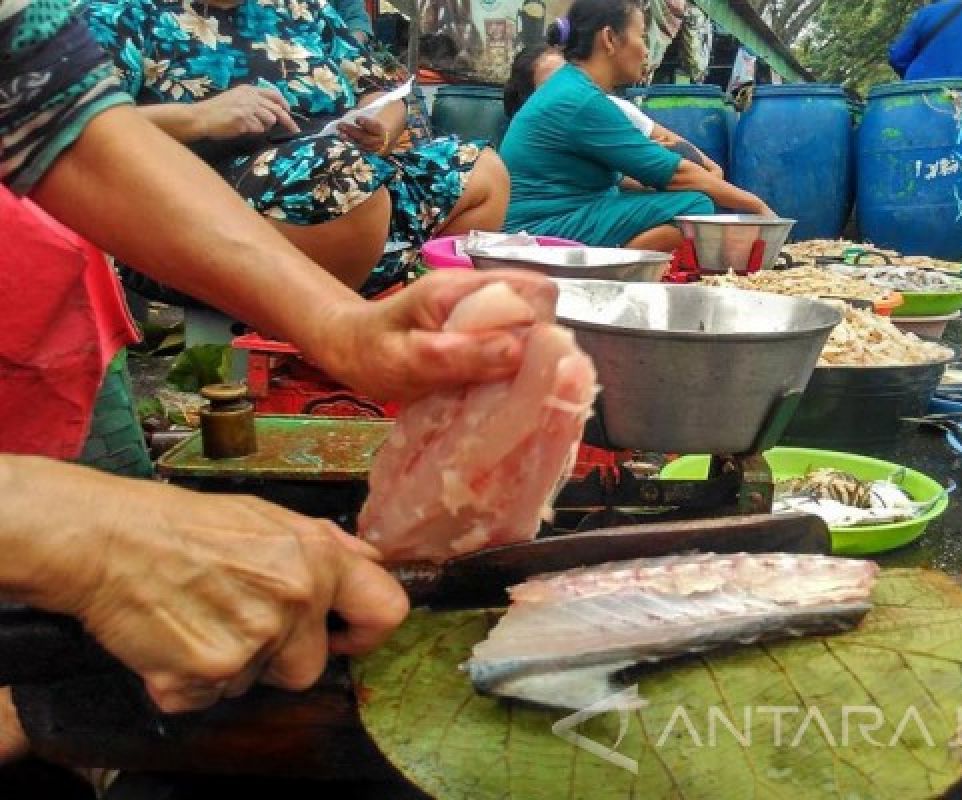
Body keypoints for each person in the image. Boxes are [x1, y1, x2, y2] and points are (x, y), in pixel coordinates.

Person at [0, 0, 559, 757]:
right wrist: (86, 536)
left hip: (40, 313)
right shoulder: (125, 14)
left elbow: (60, 116)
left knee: (93, 688)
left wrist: (340, 326)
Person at [85, 0, 509, 297]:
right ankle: (330, 327)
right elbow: (81, 125)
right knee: (343, 176)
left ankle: (420, 310)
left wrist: (378, 126)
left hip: (344, 180)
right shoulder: (121, 15)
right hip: (201, 211)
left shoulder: (299, 9)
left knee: (481, 170)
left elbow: (383, 92)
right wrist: (199, 117)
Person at [499, 0, 770, 252]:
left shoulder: (573, 89)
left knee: (684, 197)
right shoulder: (581, 100)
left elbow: (626, 176)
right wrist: (755, 206)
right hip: (538, 230)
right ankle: (616, 271)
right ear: (609, 39)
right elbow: (677, 174)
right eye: (641, 36)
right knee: (695, 205)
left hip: (554, 217)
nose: (645, 50)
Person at [503, 42, 724, 177]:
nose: (564, 86)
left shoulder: (609, 106)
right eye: (551, 84)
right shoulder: (532, 137)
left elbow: (678, 147)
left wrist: (710, 172)